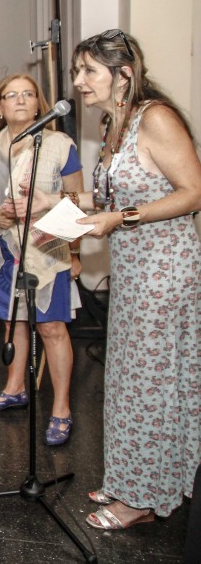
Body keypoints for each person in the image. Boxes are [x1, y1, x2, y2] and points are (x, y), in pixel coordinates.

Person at [28, 30, 201, 530]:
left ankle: (144, 497)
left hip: (165, 270)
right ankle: (133, 476)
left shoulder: (156, 118)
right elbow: (104, 198)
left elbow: (193, 192)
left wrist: (121, 219)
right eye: (77, 71)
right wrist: (53, 204)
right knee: (127, 379)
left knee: (151, 383)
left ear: (123, 75)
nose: (78, 81)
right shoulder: (113, 123)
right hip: (133, 269)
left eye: (88, 71)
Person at [0, 74, 82, 446]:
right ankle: (15, 389)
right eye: (10, 95)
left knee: (51, 328)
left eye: (28, 94)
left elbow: (78, 201)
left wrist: (76, 254)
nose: (19, 100)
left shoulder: (60, 145)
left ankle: (61, 409)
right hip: (0, 249)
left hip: (46, 250)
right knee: (12, 321)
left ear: (39, 104)